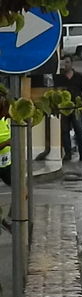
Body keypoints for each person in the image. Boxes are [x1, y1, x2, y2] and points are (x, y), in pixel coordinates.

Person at [54, 55, 82, 161]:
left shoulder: (78, 76)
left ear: (72, 63)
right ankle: (68, 154)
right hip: (64, 109)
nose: (65, 65)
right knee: (65, 131)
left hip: (77, 107)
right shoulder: (60, 77)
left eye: (67, 62)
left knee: (79, 130)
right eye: (64, 63)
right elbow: (56, 92)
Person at [0, 94, 12, 232]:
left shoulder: (5, 119)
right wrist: (7, 143)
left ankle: (7, 220)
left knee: (23, 192)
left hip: (6, 162)